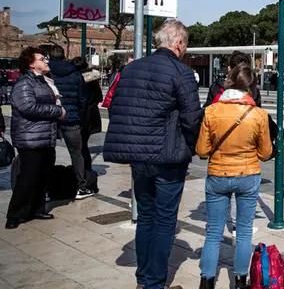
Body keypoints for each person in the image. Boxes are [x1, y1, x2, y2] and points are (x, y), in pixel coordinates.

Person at [103, 19, 203, 289]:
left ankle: (143, 277)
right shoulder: (180, 72)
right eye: (185, 44)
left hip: (138, 158)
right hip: (168, 157)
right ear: (178, 43)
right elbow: (192, 118)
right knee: (164, 219)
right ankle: (155, 283)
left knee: (145, 216)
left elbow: (116, 108)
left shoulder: (131, 69)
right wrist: (191, 147)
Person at [196, 64, 271, 289]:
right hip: (248, 174)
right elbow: (266, 153)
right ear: (251, 86)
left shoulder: (211, 111)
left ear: (229, 81)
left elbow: (201, 150)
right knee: (245, 231)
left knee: (214, 232)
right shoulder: (259, 115)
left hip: (218, 174)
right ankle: (239, 281)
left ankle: (207, 281)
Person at [5, 47, 65, 229]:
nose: (46, 61)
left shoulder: (44, 81)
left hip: (45, 135)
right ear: (31, 64)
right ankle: (15, 214)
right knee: (28, 176)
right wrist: (56, 111)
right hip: (30, 137)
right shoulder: (24, 83)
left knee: (42, 174)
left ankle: (36, 208)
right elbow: (27, 107)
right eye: (42, 59)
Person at [48, 47, 92, 200]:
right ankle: (81, 187)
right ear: (64, 56)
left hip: (51, 118)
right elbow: (83, 98)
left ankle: (47, 188)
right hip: (72, 118)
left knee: (48, 154)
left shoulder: (47, 73)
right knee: (76, 153)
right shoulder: (75, 74)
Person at [72, 57, 102, 174]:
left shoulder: (75, 79)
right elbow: (99, 97)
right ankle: (86, 169)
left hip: (80, 114)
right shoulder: (93, 80)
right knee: (84, 144)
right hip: (92, 115)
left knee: (80, 146)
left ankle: (82, 170)